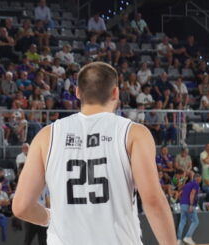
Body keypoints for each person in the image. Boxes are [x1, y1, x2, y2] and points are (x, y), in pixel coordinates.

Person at [13, 62, 176, 244]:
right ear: (115, 93)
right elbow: (153, 200)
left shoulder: (46, 136)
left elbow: (21, 207)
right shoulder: (134, 133)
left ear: (77, 92)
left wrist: (50, 218)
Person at [177, 174, 201, 245]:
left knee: (182, 222)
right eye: (200, 179)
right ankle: (188, 237)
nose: (200, 180)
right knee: (195, 221)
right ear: (197, 179)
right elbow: (192, 194)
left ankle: (178, 240)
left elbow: (180, 192)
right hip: (188, 204)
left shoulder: (187, 184)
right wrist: (191, 205)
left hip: (182, 204)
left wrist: (181, 202)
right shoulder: (195, 184)